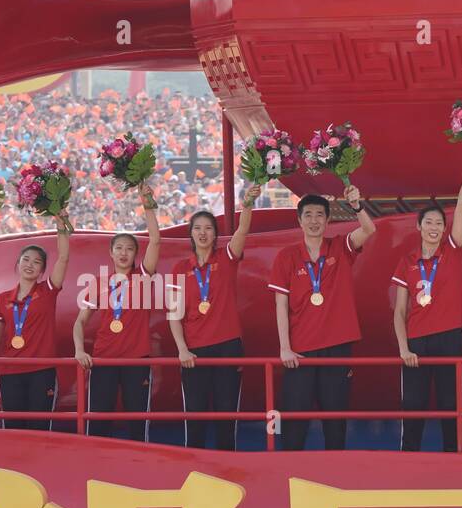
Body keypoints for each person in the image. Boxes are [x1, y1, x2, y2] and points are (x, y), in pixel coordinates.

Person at [392, 147, 462, 452]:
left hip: (449, 337)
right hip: (416, 342)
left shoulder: (452, 251)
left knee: (451, 405)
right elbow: (399, 310)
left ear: (445, 230)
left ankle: (455, 459)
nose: (434, 228)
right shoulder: (406, 261)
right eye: (428, 223)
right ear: (418, 227)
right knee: (413, 406)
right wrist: (404, 347)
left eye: (438, 224)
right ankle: (408, 460)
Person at [268, 183, 374, 451]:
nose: (314, 221)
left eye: (319, 215)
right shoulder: (287, 256)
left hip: (337, 348)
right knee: (293, 419)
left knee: (335, 418)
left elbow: (369, 230)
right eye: (308, 215)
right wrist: (284, 347)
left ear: (328, 220)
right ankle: (287, 470)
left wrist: (356, 205)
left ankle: (335, 472)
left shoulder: (340, 247)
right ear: (299, 220)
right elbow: (280, 304)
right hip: (300, 351)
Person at [170, 182, 262, 449]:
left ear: (215, 234)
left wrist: (247, 204)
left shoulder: (227, 258)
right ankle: (195, 465)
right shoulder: (179, 268)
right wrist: (182, 350)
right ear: (191, 234)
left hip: (228, 347)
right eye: (197, 228)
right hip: (193, 352)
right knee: (195, 415)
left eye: (208, 228)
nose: (203, 233)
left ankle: (227, 464)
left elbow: (243, 229)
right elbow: (174, 314)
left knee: (226, 412)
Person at [72, 182, 162, 441]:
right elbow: (79, 322)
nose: (124, 253)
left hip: (137, 361)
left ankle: (140, 466)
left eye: (129, 248)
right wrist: (79, 350)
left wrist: (147, 204)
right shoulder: (98, 283)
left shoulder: (143, 276)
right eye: (119, 248)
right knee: (97, 421)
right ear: (110, 253)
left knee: (137, 421)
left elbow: (155, 239)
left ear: (136, 254)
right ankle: (94, 466)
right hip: (104, 361)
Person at [0, 213, 72, 430]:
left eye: (37, 262)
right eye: (26, 260)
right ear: (17, 264)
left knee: (39, 428)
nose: (30, 265)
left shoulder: (48, 291)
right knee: (14, 428)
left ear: (42, 270)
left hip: (41, 372)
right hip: (10, 374)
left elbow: (63, 258)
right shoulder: (2, 298)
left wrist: (61, 228)